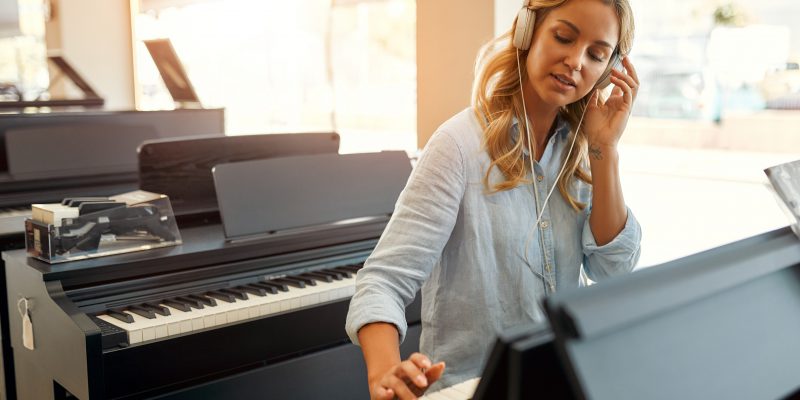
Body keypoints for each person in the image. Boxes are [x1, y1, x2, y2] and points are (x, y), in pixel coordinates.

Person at [346, 0, 641, 398]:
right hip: (472, 389)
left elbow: (614, 272)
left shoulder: (580, 152)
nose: (576, 61)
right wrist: (384, 371)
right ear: (527, 30)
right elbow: (382, 281)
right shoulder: (458, 146)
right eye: (564, 37)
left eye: (596, 54)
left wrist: (605, 148)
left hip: (561, 380)